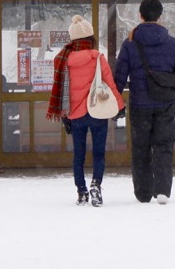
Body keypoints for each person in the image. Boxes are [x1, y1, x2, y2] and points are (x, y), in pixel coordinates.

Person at [114, 0, 175, 205]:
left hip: (140, 105)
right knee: (164, 146)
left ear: (141, 15)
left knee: (140, 148)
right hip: (165, 104)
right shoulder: (171, 43)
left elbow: (120, 75)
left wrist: (117, 102)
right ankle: (162, 190)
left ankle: (143, 192)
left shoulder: (130, 43)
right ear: (160, 16)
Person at [47, 14, 121, 207]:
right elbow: (110, 85)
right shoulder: (97, 58)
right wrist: (120, 106)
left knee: (78, 156)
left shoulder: (65, 60)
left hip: (76, 115)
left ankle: (81, 192)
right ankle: (96, 185)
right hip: (97, 111)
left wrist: (64, 115)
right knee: (99, 154)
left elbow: (62, 89)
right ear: (91, 38)